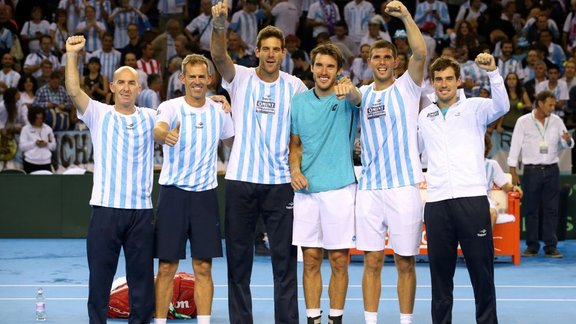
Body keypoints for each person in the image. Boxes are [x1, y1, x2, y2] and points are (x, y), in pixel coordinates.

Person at [211, 2, 308, 323]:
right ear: (256, 51)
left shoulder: (295, 86)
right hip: (241, 181)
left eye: (275, 49)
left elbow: (302, 134)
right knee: (239, 263)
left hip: (281, 186)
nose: (269, 54)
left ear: (283, 53)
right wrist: (220, 24)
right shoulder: (239, 76)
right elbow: (219, 56)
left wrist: (296, 167)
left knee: (284, 262)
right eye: (264, 49)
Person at [64, 35, 156, 324]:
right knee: (100, 280)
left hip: (141, 212)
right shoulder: (98, 113)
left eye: (132, 83)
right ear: (112, 87)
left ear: (139, 88)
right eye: (122, 83)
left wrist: (218, 101)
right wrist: (71, 55)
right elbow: (72, 89)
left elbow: (189, 110)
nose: (127, 87)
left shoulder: (153, 116)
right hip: (105, 209)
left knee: (141, 282)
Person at [418, 53, 508, 324]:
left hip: (472, 201)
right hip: (436, 203)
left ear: (459, 81)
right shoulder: (424, 116)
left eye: (449, 79)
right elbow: (414, 151)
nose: (443, 84)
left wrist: (493, 72)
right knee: (440, 276)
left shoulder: (476, 108)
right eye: (438, 80)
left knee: (482, 273)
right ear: (432, 83)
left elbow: (502, 105)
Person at [354, 2, 427, 324]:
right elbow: (347, 98)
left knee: (405, 261)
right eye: (376, 58)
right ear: (368, 62)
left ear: (396, 62)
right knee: (371, 261)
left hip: (404, 187)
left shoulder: (408, 87)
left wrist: (406, 17)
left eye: (387, 57)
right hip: (369, 189)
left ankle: (405, 321)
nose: (382, 62)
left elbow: (421, 53)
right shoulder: (361, 94)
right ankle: (371, 321)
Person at [153, 53, 234, 324]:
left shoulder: (218, 111)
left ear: (210, 79)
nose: (197, 82)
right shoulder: (171, 107)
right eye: (192, 77)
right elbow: (159, 129)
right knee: (166, 266)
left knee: (203, 266)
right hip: (173, 195)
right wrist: (166, 135)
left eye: (202, 77)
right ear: (182, 79)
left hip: (205, 197)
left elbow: (234, 144)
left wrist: (231, 106)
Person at [289, 42, 361, 324]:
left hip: (340, 190)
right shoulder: (299, 103)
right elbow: (295, 145)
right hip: (306, 192)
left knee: (340, 261)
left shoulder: (347, 97)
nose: (323, 71)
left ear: (339, 71)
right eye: (319, 65)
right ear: (311, 67)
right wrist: (294, 169)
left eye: (330, 66)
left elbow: (357, 98)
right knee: (310, 260)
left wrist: (350, 88)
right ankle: (313, 319)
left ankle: (336, 319)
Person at [507, 90, 574, 258]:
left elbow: (568, 143)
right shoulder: (523, 121)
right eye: (550, 105)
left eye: (553, 104)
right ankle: (532, 246)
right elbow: (515, 146)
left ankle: (551, 246)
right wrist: (512, 171)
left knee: (552, 210)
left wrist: (568, 140)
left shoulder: (557, 121)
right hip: (532, 171)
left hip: (552, 170)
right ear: (540, 104)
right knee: (531, 210)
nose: (553, 108)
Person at [484, 134, 523, 227]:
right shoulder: (461, 165)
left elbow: (505, 185)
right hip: (463, 199)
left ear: (486, 147)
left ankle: (485, 241)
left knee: (492, 213)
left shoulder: (492, 165)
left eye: (482, 144)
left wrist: (513, 188)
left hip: (484, 200)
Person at [18, 106, 55, 173]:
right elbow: (22, 147)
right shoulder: (26, 129)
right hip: (30, 162)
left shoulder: (48, 129)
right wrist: (34, 143)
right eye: (37, 118)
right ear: (32, 118)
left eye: (41, 118)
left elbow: (53, 146)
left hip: (46, 162)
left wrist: (46, 144)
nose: (39, 120)